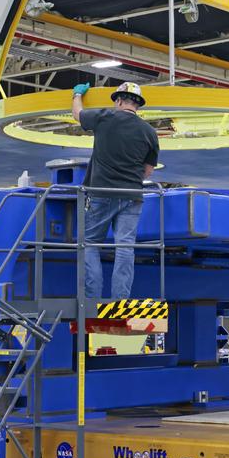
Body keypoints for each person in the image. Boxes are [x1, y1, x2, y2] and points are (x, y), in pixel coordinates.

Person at [72, 81, 159, 300]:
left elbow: (77, 114)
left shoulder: (104, 118)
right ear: (138, 105)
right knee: (125, 247)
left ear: (119, 100)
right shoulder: (149, 132)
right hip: (132, 196)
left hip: (100, 193)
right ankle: (120, 299)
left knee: (90, 244)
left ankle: (92, 299)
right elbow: (147, 171)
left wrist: (76, 94)